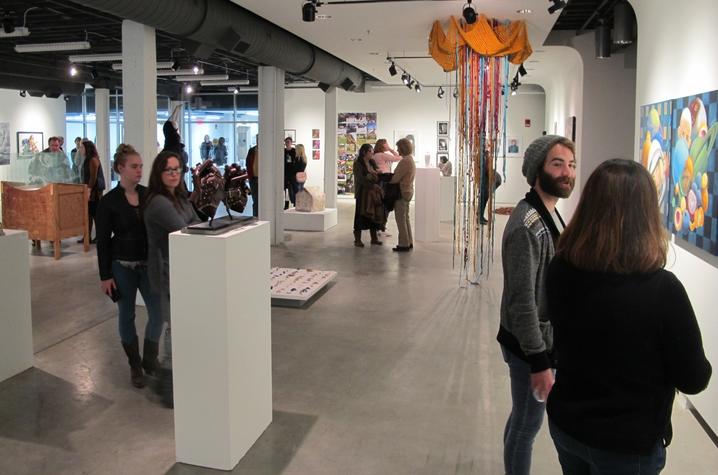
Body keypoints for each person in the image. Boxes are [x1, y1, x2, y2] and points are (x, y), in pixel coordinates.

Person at [546, 159, 712, 475]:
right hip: (626, 443)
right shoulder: (662, 290)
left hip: (567, 424)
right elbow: (693, 377)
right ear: (646, 215)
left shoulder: (561, 270)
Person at [498, 135, 576, 475]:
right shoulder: (526, 226)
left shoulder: (550, 214)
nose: (567, 173)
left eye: (571, 165)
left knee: (521, 418)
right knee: (528, 426)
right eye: (557, 164)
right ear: (536, 171)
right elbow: (522, 302)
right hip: (529, 345)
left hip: (539, 342)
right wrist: (539, 360)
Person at [95, 144, 162, 389]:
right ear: (120, 168)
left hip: (148, 266)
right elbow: (102, 241)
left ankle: (150, 359)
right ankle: (135, 365)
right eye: (134, 166)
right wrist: (105, 276)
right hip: (121, 267)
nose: (139, 171)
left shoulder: (149, 195)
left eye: (141, 166)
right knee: (127, 315)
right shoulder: (109, 202)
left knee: (158, 313)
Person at [143, 151, 199, 407]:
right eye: (169, 170)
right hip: (167, 272)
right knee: (175, 327)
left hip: (181, 269)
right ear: (159, 173)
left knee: (181, 326)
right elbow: (184, 227)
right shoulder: (159, 203)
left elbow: (197, 221)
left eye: (178, 169)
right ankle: (168, 385)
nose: (175, 173)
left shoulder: (179, 198)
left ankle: (175, 379)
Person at [352, 143, 383, 247]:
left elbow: (377, 174)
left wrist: (374, 175)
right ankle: (357, 240)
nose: (372, 153)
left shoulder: (372, 162)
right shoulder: (358, 163)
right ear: (364, 152)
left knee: (372, 215)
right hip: (362, 193)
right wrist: (371, 177)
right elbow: (360, 179)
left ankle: (374, 238)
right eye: (370, 151)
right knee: (360, 215)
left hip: (372, 193)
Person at [389, 138, 416, 252]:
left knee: (401, 219)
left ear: (402, 148)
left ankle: (403, 244)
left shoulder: (405, 161)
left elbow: (395, 178)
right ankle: (409, 241)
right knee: (406, 218)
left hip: (402, 192)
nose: (397, 150)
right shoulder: (410, 159)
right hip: (408, 191)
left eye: (398, 147)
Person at [80, 140, 105, 243]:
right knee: (88, 214)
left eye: (82, 147)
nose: (80, 150)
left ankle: (99, 236)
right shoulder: (88, 159)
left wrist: (89, 189)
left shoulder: (93, 160)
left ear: (87, 148)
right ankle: (87, 236)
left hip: (94, 191)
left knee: (95, 214)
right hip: (90, 189)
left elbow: (93, 177)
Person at [246, 136, 259, 217]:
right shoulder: (252, 150)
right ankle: (255, 217)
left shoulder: (267, 151)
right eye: (258, 139)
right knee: (256, 199)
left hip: (264, 179)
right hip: (253, 178)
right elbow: (248, 163)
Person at [283, 136, 297, 208]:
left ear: (291, 143)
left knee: (294, 188)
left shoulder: (294, 151)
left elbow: (296, 161)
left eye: (288, 142)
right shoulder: (283, 151)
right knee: (286, 190)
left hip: (292, 173)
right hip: (285, 173)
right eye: (286, 142)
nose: (287, 143)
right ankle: (286, 204)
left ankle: (295, 203)